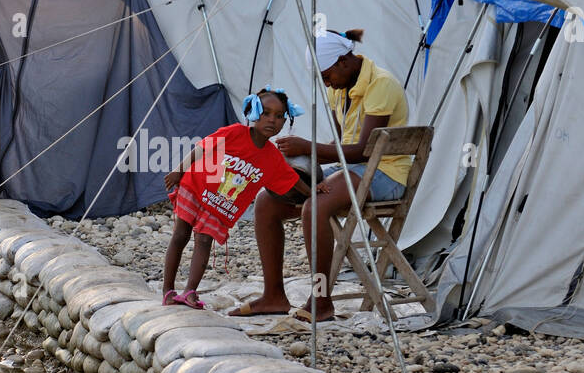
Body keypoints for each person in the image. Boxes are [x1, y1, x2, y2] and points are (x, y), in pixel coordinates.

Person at [230, 29, 410, 322]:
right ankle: (273, 295)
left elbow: (364, 151)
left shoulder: (382, 85)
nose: (326, 82)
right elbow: (340, 146)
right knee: (267, 201)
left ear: (343, 61)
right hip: (352, 170)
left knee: (316, 206)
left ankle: (322, 300)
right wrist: (300, 157)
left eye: (327, 75)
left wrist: (307, 147)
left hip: (385, 174)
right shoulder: (338, 88)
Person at [162, 89, 311, 309]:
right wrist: (179, 170)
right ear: (253, 113)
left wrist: (313, 191)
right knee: (180, 235)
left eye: (279, 116)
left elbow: (292, 180)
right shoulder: (234, 133)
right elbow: (203, 148)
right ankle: (167, 290)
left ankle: (190, 292)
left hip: (220, 205)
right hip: (195, 188)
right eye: (266, 113)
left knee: (204, 241)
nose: (272, 120)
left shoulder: (272, 158)